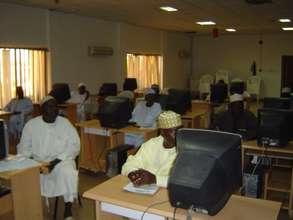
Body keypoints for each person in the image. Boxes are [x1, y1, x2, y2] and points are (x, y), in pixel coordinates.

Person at [17, 96, 80, 220]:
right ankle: (32, 208)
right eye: (49, 106)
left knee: (68, 171)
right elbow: (23, 148)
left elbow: (74, 145)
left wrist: (55, 162)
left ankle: (68, 208)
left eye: (55, 106)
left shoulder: (65, 123)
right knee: (22, 176)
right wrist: (36, 164)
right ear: (42, 109)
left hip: (60, 160)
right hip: (37, 162)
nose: (54, 110)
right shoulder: (31, 125)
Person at [122, 111, 182, 187]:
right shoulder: (151, 144)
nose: (179, 134)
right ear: (162, 132)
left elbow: (185, 182)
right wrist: (132, 172)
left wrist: (155, 179)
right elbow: (130, 163)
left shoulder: (188, 150)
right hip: (144, 191)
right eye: (174, 131)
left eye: (180, 130)